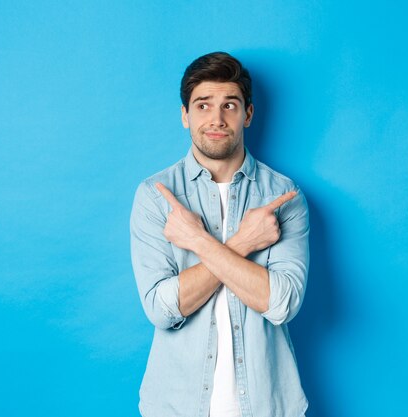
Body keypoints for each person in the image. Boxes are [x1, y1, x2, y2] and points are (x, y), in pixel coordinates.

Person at [130, 51, 310, 417]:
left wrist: (197, 241)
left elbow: (283, 303)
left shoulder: (283, 197)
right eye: (203, 105)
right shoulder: (155, 196)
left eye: (229, 104)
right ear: (185, 115)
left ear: (248, 114)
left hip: (268, 407)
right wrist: (244, 243)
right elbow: (163, 308)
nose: (216, 118)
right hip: (175, 407)